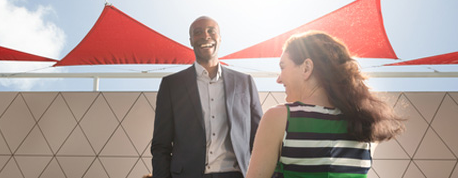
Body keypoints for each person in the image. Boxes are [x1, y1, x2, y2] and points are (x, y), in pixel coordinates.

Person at [245, 31, 405, 178]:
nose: (279, 79)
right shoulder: (366, 124)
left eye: (283, 67)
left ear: (306, 68)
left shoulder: (279, 118)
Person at [151, 16, 263, 178]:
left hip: (236, 174)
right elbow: (161, 145)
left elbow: (259, 139)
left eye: (211, 31)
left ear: (220, 38)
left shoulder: (244, 82)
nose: (205, 36)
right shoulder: (171, 85)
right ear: (190, 40)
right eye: (198, 32)